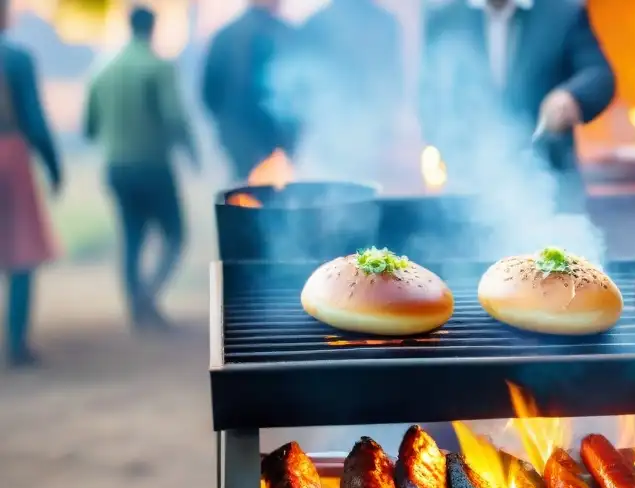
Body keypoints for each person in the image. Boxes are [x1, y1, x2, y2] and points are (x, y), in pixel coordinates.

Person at [418, 0, 615, 214]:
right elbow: (429, 97)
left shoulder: (563, 12)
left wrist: (571, 97)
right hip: (469, 190)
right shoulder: (445, 18)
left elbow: (599, 75)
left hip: (551, 186)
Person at [84, 5, 197, 330]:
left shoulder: (103, 69)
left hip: (116, 167)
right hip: (152, 166)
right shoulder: (157, 67)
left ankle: (137, 306)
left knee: (132, 235)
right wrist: (192, 152)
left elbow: (89, 127)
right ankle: (148, 295)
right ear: (152, 28)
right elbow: (174, 117)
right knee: (174, 233)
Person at [0, 0, 61, 368]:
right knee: (20, 252)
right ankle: (16, 342)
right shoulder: (17, 59)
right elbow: (35, 120)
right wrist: (53, 165)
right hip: (9, 155)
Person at [298, 0, 404, 182]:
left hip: (365, 141)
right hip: (330, 142)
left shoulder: (384, 24)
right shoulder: (316, 25)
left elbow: (391, 82)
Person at [201, 0, 300, 181]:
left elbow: (209, 95)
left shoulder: (224, 36)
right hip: (273, 142)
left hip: (240, 142)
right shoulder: (288, 37)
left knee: (246, 198)